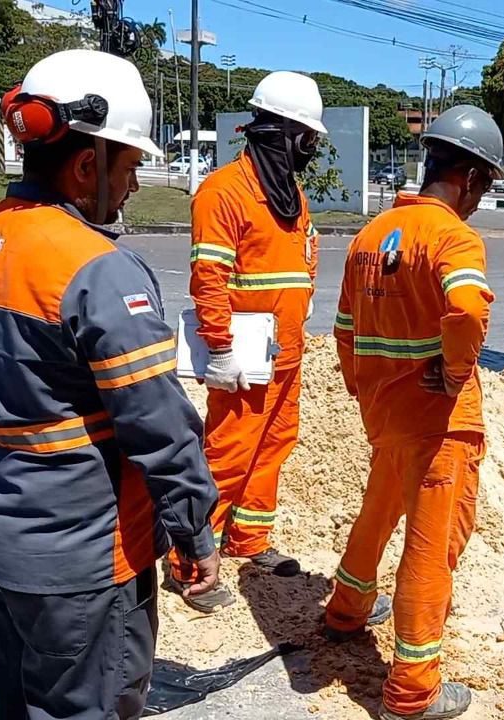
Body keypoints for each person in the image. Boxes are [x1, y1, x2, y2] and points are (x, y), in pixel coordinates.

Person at [0, 49, 220, 719]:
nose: (134, 187)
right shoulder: (96, 269)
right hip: (81, 559)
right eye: (129, 168)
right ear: (87, 165)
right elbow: (158, 426)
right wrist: (193, 534)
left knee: (13, 704)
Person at [323, 104, 502, 720]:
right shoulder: (453, 235)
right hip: (439, 420)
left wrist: (366, 387)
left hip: (386, 413)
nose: (481, 199)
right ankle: (411, 690)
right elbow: (470, 309)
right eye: (485, 187)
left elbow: (344, 327)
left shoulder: (371, 234)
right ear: (472, 176)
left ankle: (346, 607)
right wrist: (454, 372)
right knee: (432, 547)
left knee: (378, 510)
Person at [166, 71, 326, 608]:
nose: (309, 151)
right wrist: (221, 347)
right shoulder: (223, 192)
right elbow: (208, 278)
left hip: (285, 352)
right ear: (281, 132)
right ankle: (189, 562)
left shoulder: (289, 195)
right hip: (244, 355)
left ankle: (248, 539)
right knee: (228, 454)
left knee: (274, 446)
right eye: (307, 139)